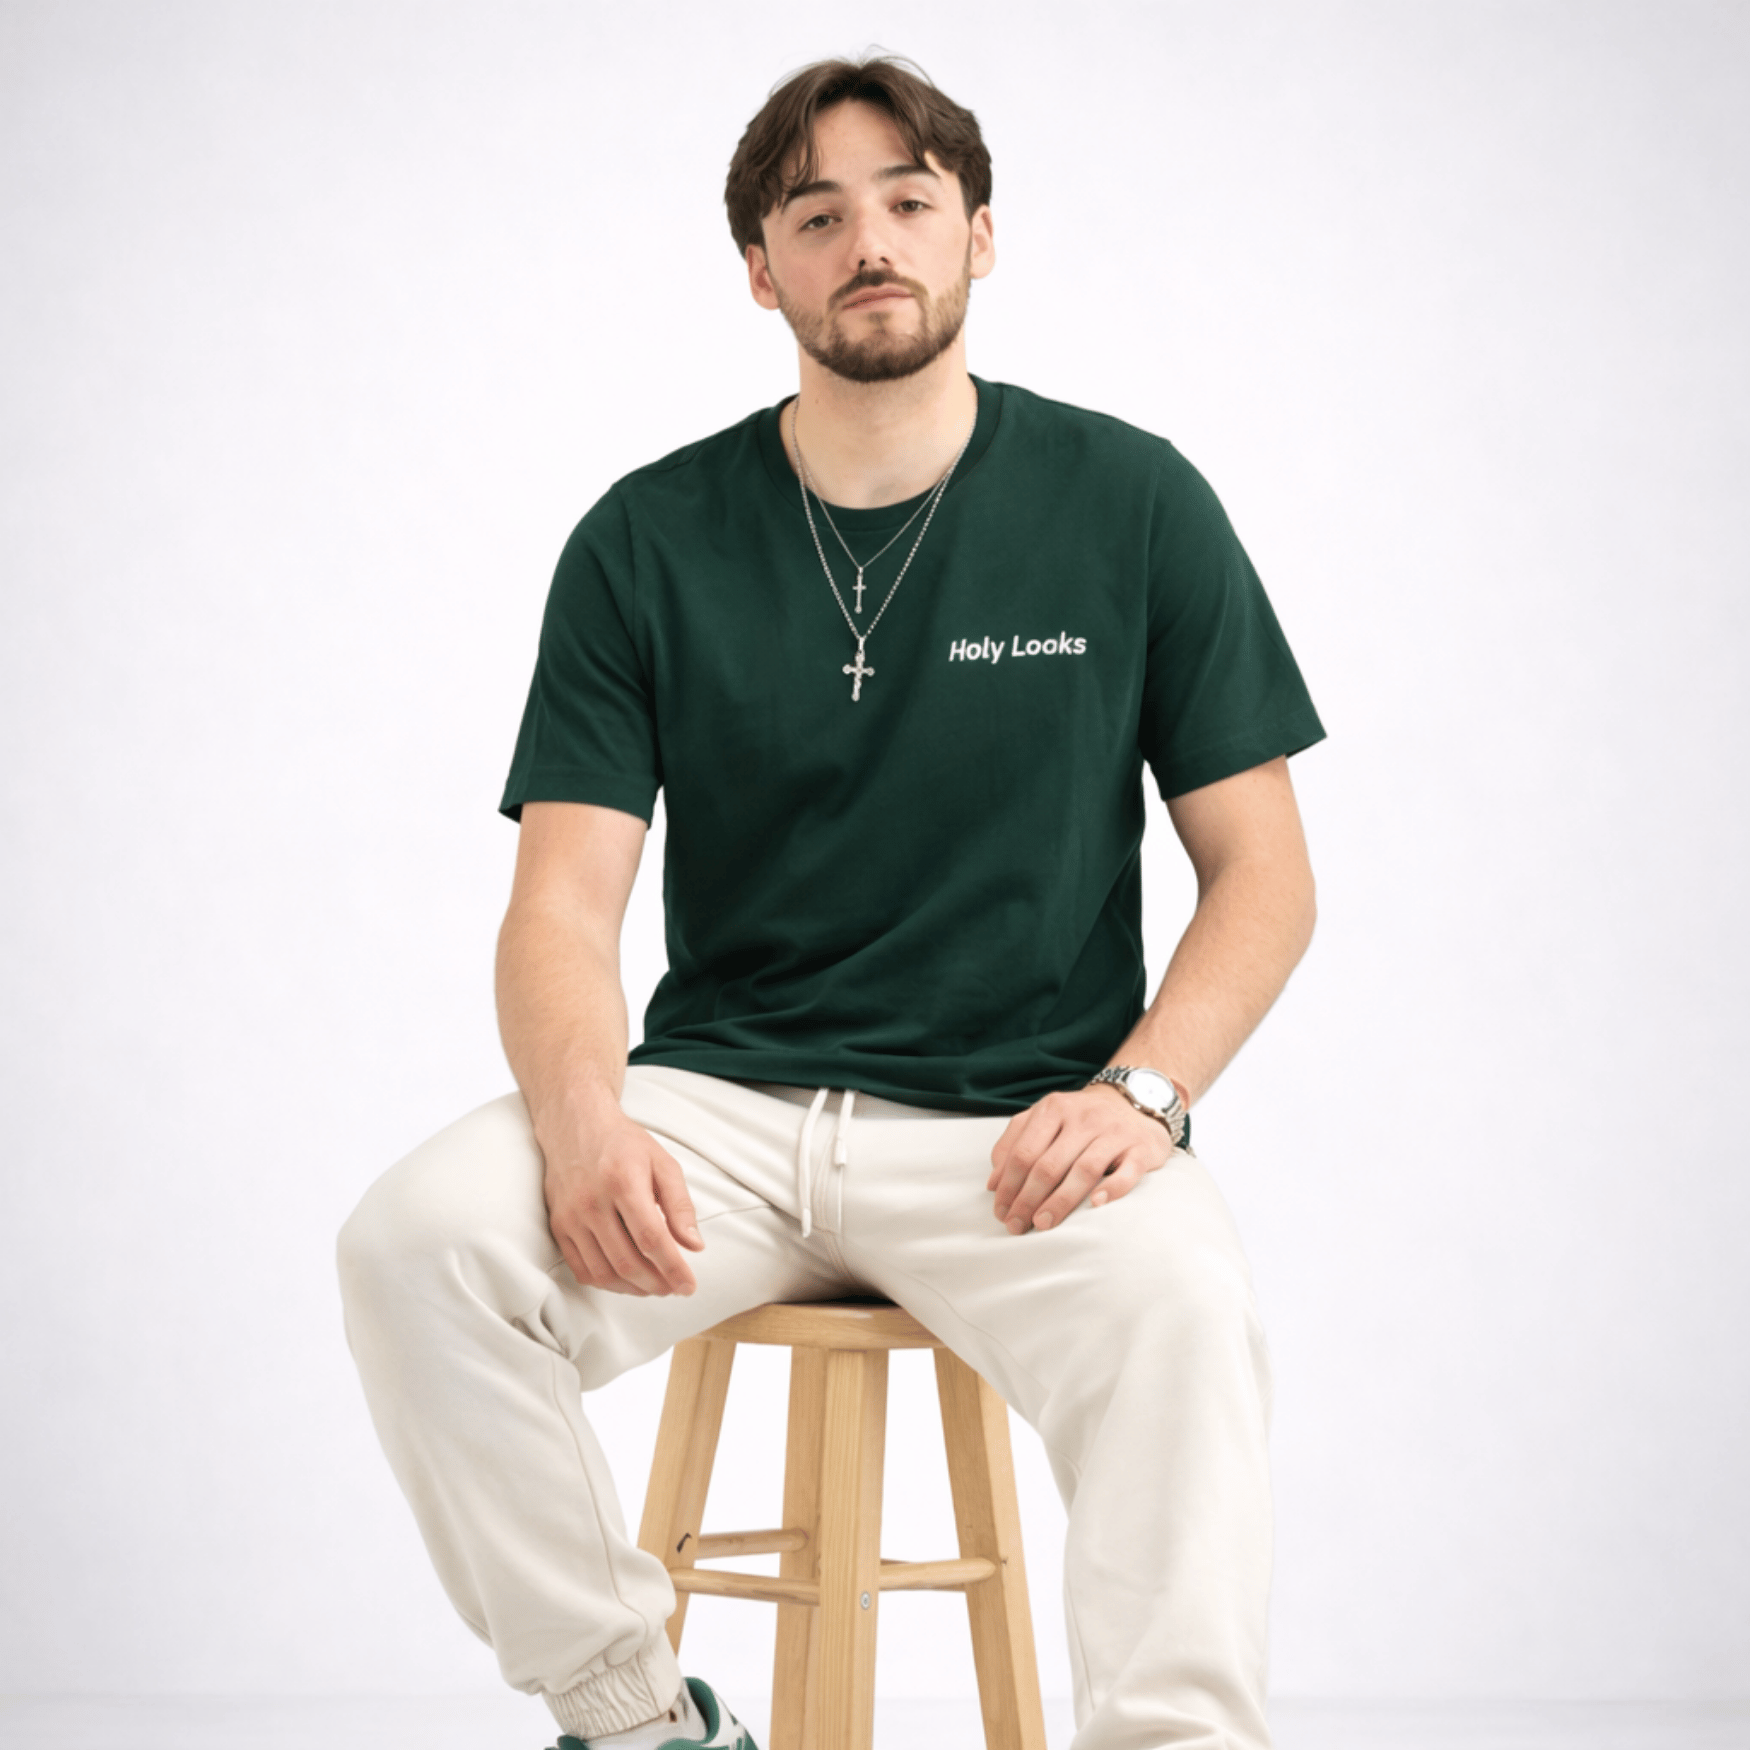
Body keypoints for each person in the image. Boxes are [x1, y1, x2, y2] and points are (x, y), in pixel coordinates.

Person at [338, 52, 1324, 1750]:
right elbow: (561, 911)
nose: (867, 241)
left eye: (906, 202)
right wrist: (584, 1125)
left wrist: (1143, 1092)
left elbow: (1264, 874)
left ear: (978, 237)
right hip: (716, 1112)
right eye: (816, 214)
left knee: (1183, 1301)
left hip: (1023, 1127)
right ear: (761, 270)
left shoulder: (1129, 502)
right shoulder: (644, 539)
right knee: (414, 1246)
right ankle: (636, 1718)